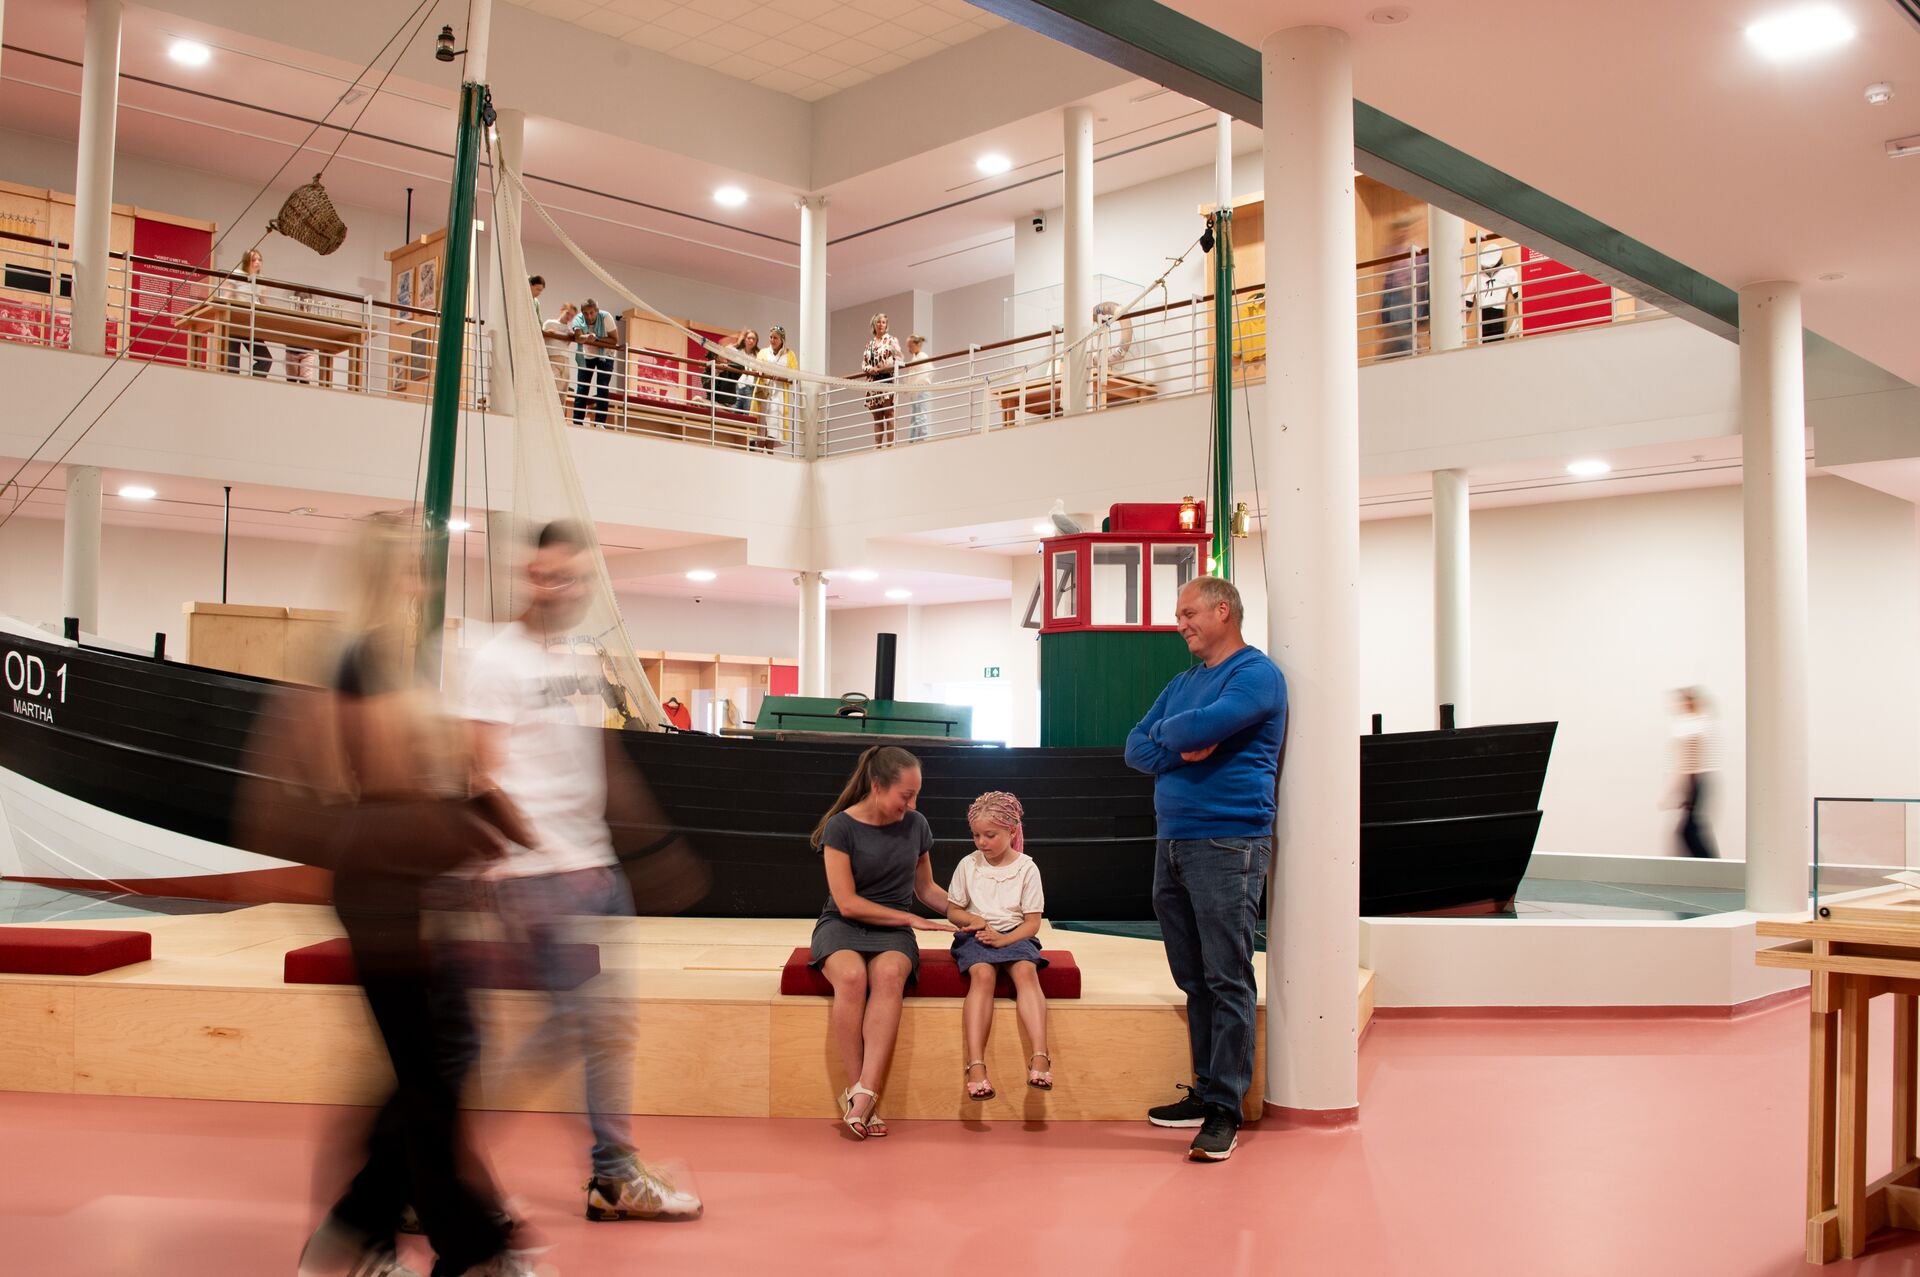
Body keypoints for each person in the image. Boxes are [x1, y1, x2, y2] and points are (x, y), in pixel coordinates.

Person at [294, 516, 528, 1277]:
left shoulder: (389, 659)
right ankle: (436, 1240)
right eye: (415, 568)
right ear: (387, 572)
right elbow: (395, 777)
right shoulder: (365, 658)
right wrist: (480, 807)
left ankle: (390, 1230)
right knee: (431, 1073)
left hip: (408, 887)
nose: (425, 581)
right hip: (387, 891)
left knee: (433, 1068)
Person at [464, 520, 702, 1222]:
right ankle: (441, 1158)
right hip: (542, 878)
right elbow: (480, 773)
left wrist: (650, 849)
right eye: (541, 575)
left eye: (566, 577)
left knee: (600, 1026)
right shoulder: (494, 659)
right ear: (526, 577)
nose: (553, 587)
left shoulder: (571, 657)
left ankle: (609, 1172)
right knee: (578, 1023)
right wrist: (517, 862)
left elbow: (592, 763)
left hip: (594, 870)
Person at [1124, 576, 1287, 1163]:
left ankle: (1225, 1110)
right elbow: (1134, 746)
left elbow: (1183, 731)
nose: (1181, 623)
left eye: (1189, 612)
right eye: (1178, 615)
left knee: (1226, 976)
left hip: (1228, 842)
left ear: (1224, 610)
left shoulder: (1256, 675)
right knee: (1194, 978)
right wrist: (1181, 740)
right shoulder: (1184, 682)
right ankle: (1205, 1090)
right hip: (1173, 843)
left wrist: (1180, 734)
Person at [808, 745, 964, 1138]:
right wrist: (911, 918)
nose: (911, 804)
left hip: (892, 931)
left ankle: (863, 1096)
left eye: (916, 795)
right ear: (877, 786)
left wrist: (967, 913)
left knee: (890, 974)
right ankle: (859, 1087)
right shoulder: (840, 827)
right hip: (843, 923)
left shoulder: (916, 824)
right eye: (905, 795)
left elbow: (927, 890)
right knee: (851, 978)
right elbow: (847, 902)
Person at [944, 791, 1053, 1099]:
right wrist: (974, 922)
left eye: (990, 835)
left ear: (1012, 831)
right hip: (977, 935)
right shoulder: (969, 865)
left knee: (1025, 973)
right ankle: (976, 1063)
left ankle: (1040, 1055)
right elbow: (953, 910)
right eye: (976, 835)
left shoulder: (1027, 868)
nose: (982, 842)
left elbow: (1032, 922)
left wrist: (1005, 939)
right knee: (983, 975)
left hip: (1015, 935)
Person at [1668, 687, 1719, 858]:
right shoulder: (1694, 724)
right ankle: (1712, 868)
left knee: (1688, 831)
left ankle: (1715, 868)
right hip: (1696, 781)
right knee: (1689, 831)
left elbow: (1690, 762)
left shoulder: (1693, 727)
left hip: (1695, 780)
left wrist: (1680, 790)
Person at [569, 299, 618, 426]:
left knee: (602, 387)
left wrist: (597, 339)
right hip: (588, 355)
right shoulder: (578, 319)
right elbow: (578, 337)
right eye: (586, 313)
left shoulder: (606, 317)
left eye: (591, 313)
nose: (589, 316)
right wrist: (586, 338)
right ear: (582, 313)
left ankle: (600, 423)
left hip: (606, 355)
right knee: (582, 387)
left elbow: (614, 340)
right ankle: (577, 421)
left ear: (597, 311)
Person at [225, 248, 272, 376]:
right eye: (254, 259)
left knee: (265, 359)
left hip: (250, 322)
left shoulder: (261, 279)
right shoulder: (237, 274)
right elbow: (228, 295)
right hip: (235, 320)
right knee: (232, 364)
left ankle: (252, 384)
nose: (257, 262)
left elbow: (264, 302)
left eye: (259, 259)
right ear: (247, 261)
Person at [861, 312, 903, 449]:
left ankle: (890, 445)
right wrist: (870, 369)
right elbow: (863, 364)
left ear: (887, 325)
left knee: (889, 412)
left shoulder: (891, 340)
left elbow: (900, 359)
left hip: (887, 379)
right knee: (877, 416)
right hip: (873, 382)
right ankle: (877, 446)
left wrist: (885, 367)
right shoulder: (869, 344)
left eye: (883, 322)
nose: (881, 325)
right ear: (874, 324)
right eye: (878, 322)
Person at [755, 325, 799, 452]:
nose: (772, 340)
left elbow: (795, 373)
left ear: (782, 340)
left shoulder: (789, 355)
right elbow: (756, 366)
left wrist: (782, 375)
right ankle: (758, 452)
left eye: (775, 338)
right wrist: (760, 371)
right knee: (761, 423)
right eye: (771, 337)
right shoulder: (763, 352)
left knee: (773, 426)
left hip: (779, 394)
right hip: (764, 392)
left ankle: (770, 452)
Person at [1466, 242, 1519, 343]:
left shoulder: (1507, 271)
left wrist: (1517, 295)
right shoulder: (1478, 276)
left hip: (1498, 309)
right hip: (1483, 310)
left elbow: (1517, 289)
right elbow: (1468, 296)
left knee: (1497, 338)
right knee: (1484, 339)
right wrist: (1467, 305)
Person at [542, 301, 578, 402]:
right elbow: (542, 339)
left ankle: (561, 416)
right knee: (553, 387)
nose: (569, 317)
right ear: (562, 311)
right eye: (567, 313)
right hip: (553, 357)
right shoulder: (550, 323)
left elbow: (566, 345)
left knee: (563, 390)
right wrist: (547, 333)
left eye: (572, 316)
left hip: (565, 360)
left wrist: (571, 336)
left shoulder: (569, 329)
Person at [903, 334, 931, 442]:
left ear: (916, 344)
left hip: (921, 389)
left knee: (920, 414)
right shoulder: (916, 357)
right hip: (916, 390)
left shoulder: (922, 357)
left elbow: (923, 375)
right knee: (915, 415)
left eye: (910, 346)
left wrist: (912, 386)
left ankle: (922, 437)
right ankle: (913, 439)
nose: (909, 349)